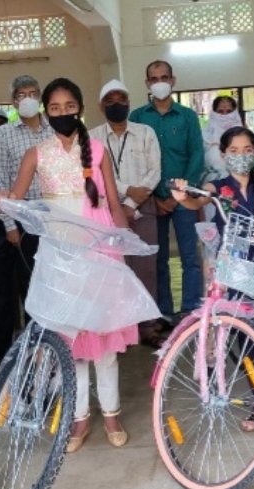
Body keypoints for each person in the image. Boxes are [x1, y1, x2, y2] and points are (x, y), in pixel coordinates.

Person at [7, 77, 135, 452]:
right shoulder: (36, 154)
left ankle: (111, 413)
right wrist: (3, 200)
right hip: (61, 254)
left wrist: (124, 246)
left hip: (101, 250)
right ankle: (79, 418)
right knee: (72, 341)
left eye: (69, 106)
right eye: (55, 108)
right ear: (46, 112)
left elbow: (114, 204)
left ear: (80, 108)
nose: (62, 113)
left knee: (104, 339)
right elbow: (16, 200)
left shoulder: (97, 150)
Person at [170, 126, 254, 431]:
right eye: (234, 151)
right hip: (235, 272)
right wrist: (182, 195)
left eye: (247, 150)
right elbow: (195, 201)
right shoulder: (217, 187)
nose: (241, 156)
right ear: (224, 155)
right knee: (245, 337)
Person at [129, 60, 205, 325]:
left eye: (164, 77)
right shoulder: (137, 117)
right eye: (154, 78)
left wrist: (179, 195)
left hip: (183, 199)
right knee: (156, 257)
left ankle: (191, 310)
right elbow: (135, 159)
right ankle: (163, 312)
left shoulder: (187, 116)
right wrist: (154, 196)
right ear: (147, 83)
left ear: (173, 81)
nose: (159, 82)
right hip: (151, 199)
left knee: (189, 257)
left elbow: (196, 155)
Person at [88, 79, 163, 347]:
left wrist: (132, 203)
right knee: (114, 270)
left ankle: (148, 327)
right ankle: (120, 330)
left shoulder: (145, 132)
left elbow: (155, 171)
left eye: (121, 99)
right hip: (106, 210)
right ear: (101, 106)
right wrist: (126, 194)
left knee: (145, 268)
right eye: (110, 100)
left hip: (144, 207)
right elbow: (95, 174)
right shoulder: (92, 137)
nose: (116, 104)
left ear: (129, 103)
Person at [0, 74, 53, 350]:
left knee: (56, 278)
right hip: (23, 218)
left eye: (33, 93)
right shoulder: (4, 134)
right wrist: (9, 225)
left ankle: (58, 340)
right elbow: (0, 180)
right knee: (29, 282)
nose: (28, 99)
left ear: (40, 97)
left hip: (54, 214)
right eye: (21, 95)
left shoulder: (54, 128)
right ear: (13, 101)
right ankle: (35, 344)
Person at [202, 95, 243, 182]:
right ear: (214, 113)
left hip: (240, 182)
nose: (225, 115)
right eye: (220, 111)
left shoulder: (245, 136)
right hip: (212, 183)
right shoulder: (205, 136)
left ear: (235, 113)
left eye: (229, 111)